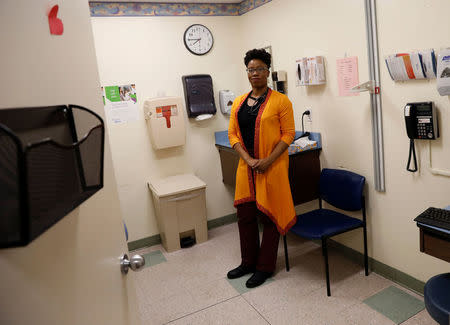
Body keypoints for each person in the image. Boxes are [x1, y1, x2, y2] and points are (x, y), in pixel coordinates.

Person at [227, 48, 297, 288]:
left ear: (268, 72)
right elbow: (232, 134)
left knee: (269, 217)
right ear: (247, 73)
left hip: (272, 167)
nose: (254, 73)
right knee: (245, 216)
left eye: (259, 69)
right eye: (250, 69)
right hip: (245, 168)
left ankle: (264, 267)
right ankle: (248, 262)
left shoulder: (281, 101)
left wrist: (266, 161)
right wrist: (248, 159)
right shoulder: (239, 102)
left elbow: (288, 135)